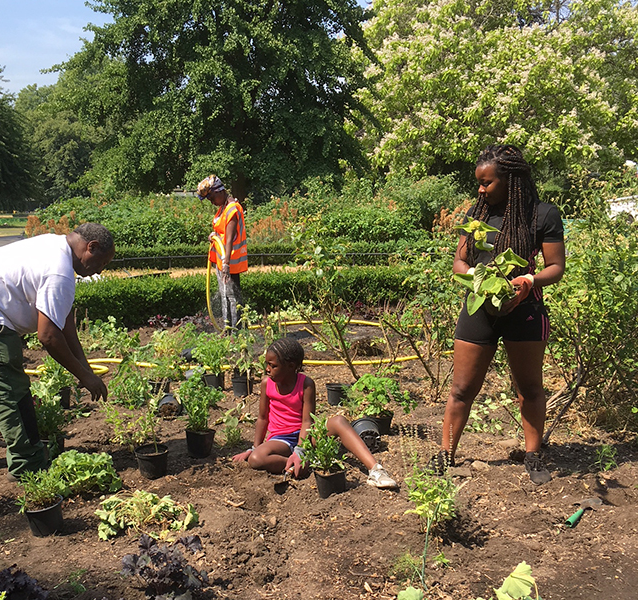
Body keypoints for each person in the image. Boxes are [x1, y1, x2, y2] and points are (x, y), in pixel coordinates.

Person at [0, 223, 115, 479]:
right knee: (8, 387)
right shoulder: (59, 273)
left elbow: (65, 322)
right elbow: (49, 337)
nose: (100, 269)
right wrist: (84, 377)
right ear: (91, 247)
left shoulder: (54, 244)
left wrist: (85, 369)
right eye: (102, 262)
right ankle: (28, 463)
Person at [434, 145, 566, 484]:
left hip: (525, 309)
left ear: (511, 180)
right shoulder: (477, 216)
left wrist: (527, 280)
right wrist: (479, 284)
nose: (481, 189)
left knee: (529, 389)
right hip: (479, 308)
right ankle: (445, 455)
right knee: (462, 388)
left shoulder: (542, 215)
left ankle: (533, 455)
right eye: (479, 182)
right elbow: (460, 263)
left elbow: (556, 267)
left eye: (487, 183)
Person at [232, 337, 398, 489]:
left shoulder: (306, 384)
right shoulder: (266, 383)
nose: (267, 369)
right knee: (256, 459)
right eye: (267, 364)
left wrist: (300, 450)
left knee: (339, 421)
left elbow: (307, 422)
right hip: (281, 439)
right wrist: (254, 448)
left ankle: (375, 470)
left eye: (273, 366)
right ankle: (304, 465)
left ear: (291, 366)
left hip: (307, 435)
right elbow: (262, 418)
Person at [197, 175, 247, 332]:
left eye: (211, 197)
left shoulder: (232, 209)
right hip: (222, 261)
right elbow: (223, 233)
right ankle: (228, 330)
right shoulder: (223, 207)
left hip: (229, 263)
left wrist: (226, 264)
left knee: (232, 298)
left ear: (219, 191)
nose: (211, 201)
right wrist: (214, 235)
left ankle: (236, 332)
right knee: (225, 296)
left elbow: (230, 238)